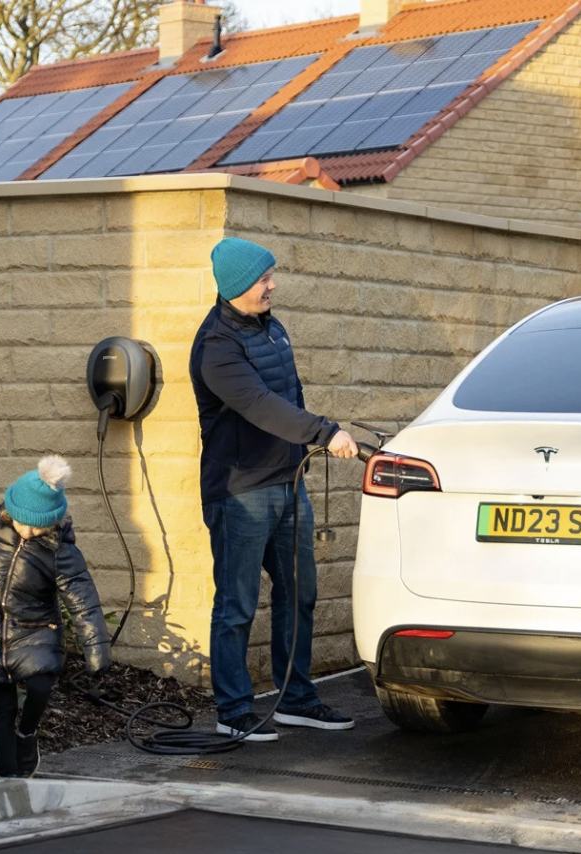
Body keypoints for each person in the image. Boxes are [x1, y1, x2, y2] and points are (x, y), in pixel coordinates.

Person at [189, 237, 360, 742]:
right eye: (264, 279)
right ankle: (234, 710)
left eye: (271, 276)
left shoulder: (271, 328)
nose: (272, 284)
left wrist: (307, 447)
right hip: (240, 492)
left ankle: (297, 700)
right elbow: (261, 404)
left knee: (299, 592)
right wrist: (325, 432)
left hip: (288, 485)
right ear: (240, 284)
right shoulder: (217, 347)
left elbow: (291, 395)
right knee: (237, 604)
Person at [0, 455, 110, 778]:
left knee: (40, 687)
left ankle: (27, 734)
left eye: (37, 526)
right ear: (10, 511)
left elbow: (83, 601)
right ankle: (8, 775)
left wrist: (96, 651)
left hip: (36, 634)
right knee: (2, 707)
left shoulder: (60, 551)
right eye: (23, 522)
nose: (28, 532)